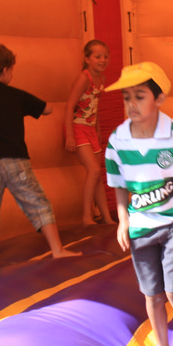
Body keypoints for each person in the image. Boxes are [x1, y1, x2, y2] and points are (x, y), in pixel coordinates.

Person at [104, 62, 173, 346]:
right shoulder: (118, 141)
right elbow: (119, 185)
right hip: (141, 227)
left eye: (140, 96)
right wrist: (123, 220)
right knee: (152, 293)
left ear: (159, 99)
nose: (131, 104)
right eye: (126, 98)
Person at [0, 44, 80, 268]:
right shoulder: (16, 96)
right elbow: (47, 109)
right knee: (37, 201)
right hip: (15, 161)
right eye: (12, 69)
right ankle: (57, 250)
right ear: (5, 70)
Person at [64, 39, 116, 226]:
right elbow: (70, 106)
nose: (103, 60)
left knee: (98, 175)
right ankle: (87, 216)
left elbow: (94, 106)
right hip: (78, 128)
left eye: (105, 57)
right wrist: (69, 135)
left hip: (90, 129)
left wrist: (98, 129)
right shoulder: (84, 78)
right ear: (87, 59)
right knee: (93, 170)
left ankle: (106, 217)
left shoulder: (101, 79)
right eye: (97, 57)